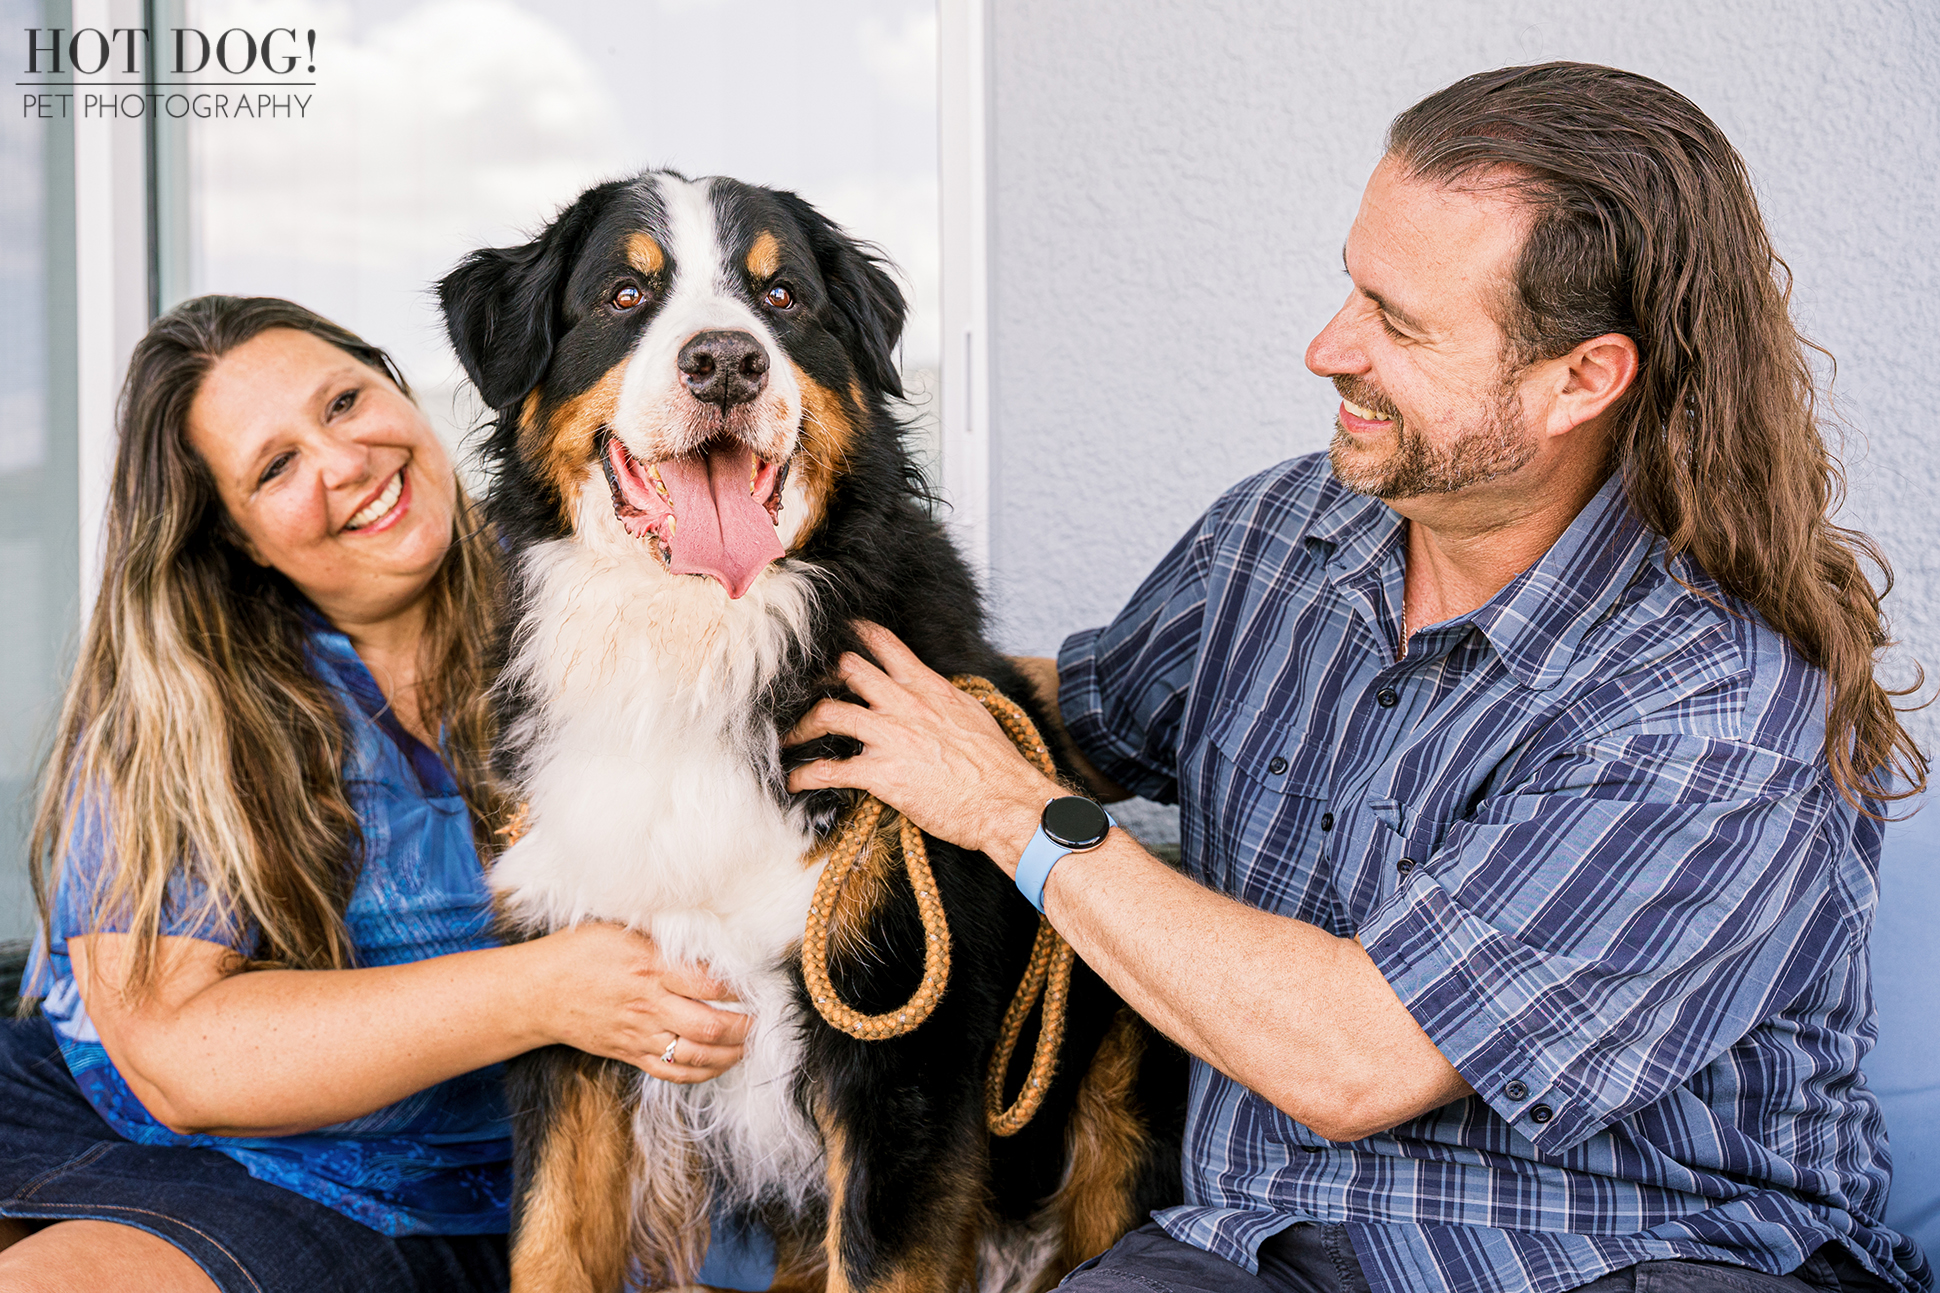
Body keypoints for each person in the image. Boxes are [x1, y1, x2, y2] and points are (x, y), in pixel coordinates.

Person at [786, 63, 1931, 1293]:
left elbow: (1351, 1060)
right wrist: (748, 655)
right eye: (1349, 284)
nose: (1327, 347)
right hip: (1254, 1248)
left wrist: (1013, 815)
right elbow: (1058, 714)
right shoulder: (1284, 537)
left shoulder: (1713, 707)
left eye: (1400, 321)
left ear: (1579, 380)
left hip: (1633, 1252)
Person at [0, 297, 752, 1293]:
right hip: (138, 1123)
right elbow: (178, 1055)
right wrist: (548, 990)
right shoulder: (188, 698)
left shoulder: (595, 582)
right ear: (237, 541)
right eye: (275, 467)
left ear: (400, 389)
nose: (345, 460)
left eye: (345, 401)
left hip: (467, 1190)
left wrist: (990, 748)